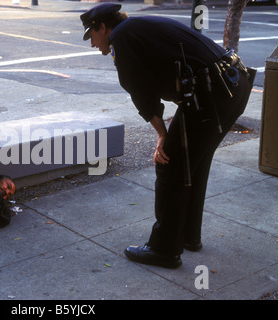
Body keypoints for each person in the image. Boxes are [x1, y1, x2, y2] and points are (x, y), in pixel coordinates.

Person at [80, 4, 255, 268]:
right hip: (233, 85)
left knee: (170, 166)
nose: (93, 43)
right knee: (193, 164)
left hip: (211, 93)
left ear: (103, 28)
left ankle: (163, 249)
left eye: (91, 35)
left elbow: (140, 92)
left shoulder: (122, 38)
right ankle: (187, 236)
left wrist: (162, 136)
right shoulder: (139, 27)